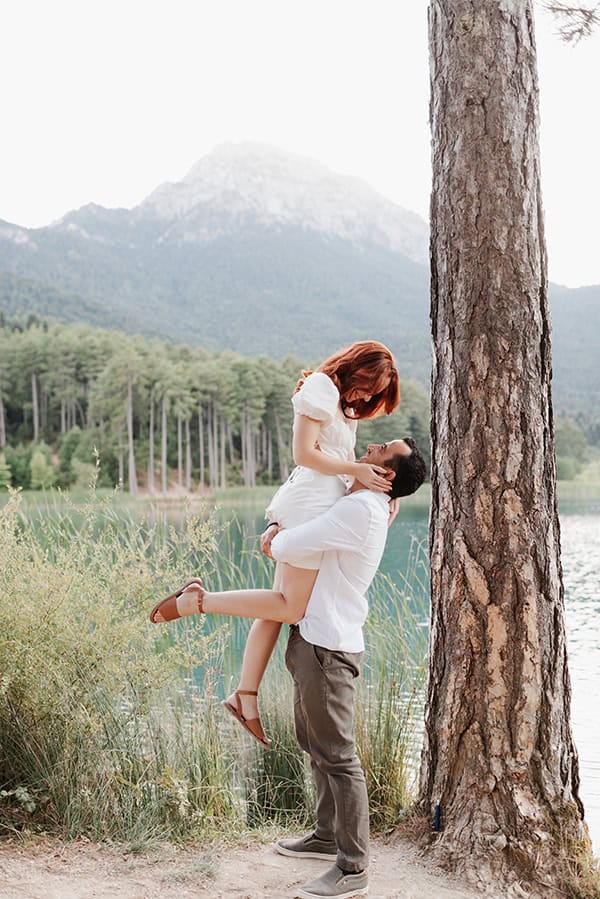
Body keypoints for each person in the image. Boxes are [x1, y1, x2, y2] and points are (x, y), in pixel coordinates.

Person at [150, 437, 427, 899]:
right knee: (315, 744)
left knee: (339, 757)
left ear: (387, 475)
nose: (372, 446)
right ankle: (323, 836)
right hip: (314, 639)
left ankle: (353, 867)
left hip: (328, 649)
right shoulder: (361, 499)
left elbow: (288, 545)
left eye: (381, 450)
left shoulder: (362, 511)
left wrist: (275, 535)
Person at [151, 341, 400, 745]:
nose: (365, 397)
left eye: (373, 395)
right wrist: (357, 468)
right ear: (354, 368)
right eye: (367, 386)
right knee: (290, 606)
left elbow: (354, 463)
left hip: (319, 505)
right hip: (312, 505)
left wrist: (388, 493)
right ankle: (198, 601)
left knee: (276, 603)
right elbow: (303, 455)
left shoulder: (338, 404)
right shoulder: (321, 386)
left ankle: (245, 695)